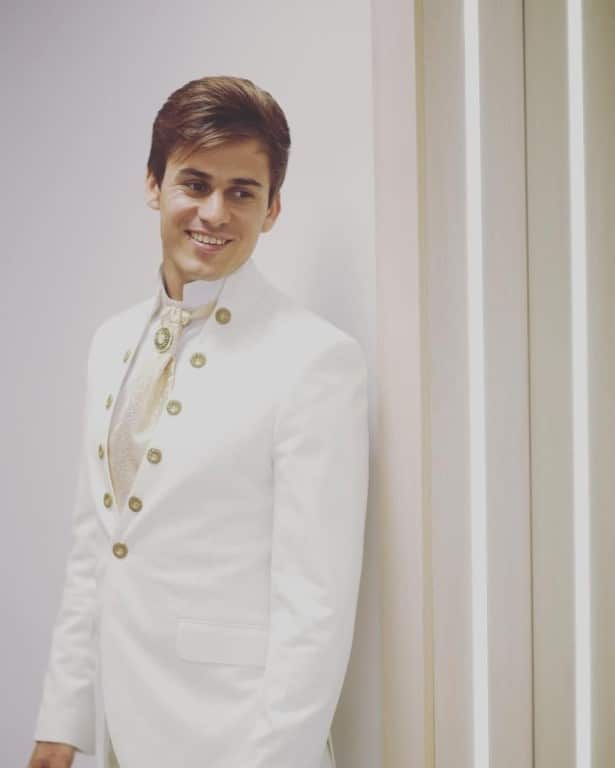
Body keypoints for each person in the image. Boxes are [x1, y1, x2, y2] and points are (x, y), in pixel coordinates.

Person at [28, 75, 369, 768]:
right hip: (121, 729)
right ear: (153, 185)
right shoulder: (111, 342)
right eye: (194, 183)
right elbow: (98, 545)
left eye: (242, 192)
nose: (214, 212)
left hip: (235, 736)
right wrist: (62, 719)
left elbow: (316, 604)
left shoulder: (315, 359)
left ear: (272, 209)